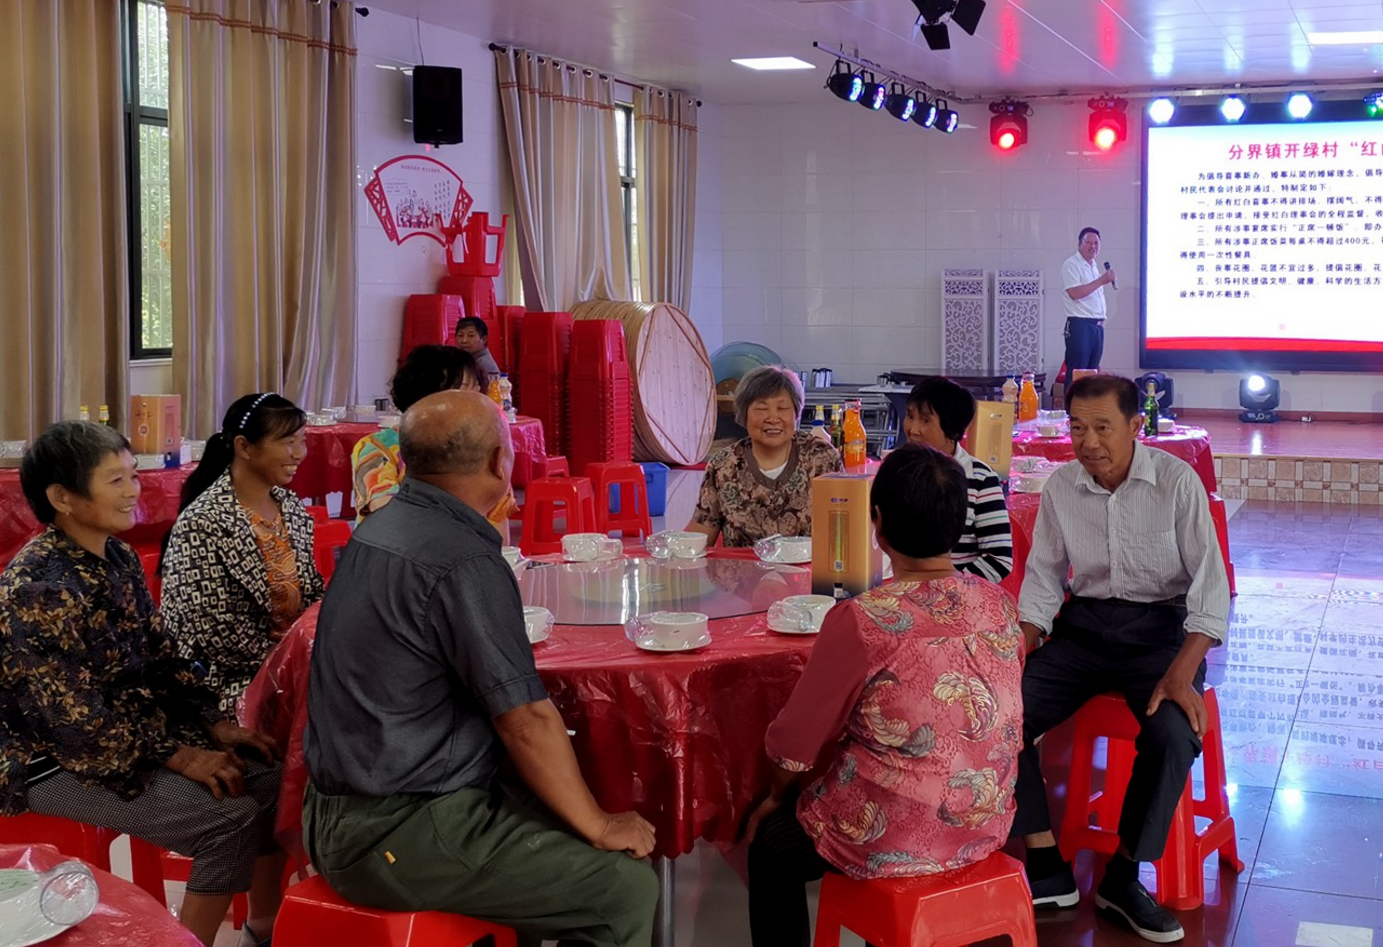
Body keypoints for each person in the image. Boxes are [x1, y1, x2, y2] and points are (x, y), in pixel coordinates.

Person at [303, 391, 657, 946]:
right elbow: (524, 720)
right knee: (625, 888)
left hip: (336, 808)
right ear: (499, 462)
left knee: (554, 815)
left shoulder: (380, 527)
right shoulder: (461, 557)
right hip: (398, 828)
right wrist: (600, 823)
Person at [0, 421, 286, 947]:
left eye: (133, 474)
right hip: (45, 760)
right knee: (227, 820)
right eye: (115, 480)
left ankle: (260, 931)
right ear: (62, 497)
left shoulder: (118, 555)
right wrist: (180, 756)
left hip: (122, 732)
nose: (133, 490)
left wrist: (213, 721)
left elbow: (160, 656)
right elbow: (77, 726)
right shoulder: (39, 588)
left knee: (271, 779)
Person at [742, 445, 1023, 947]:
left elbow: (792, 748)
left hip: (892, 835)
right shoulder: (998, 605)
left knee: (770, 844)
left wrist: (777, 797)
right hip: (985, 821)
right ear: (958, 524)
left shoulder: (864, 619)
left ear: (877, 522)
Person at [1013, 374, 1228, 944]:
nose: (1088, 442)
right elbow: (1043, 580)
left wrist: (1182, 673)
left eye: (1103, 428)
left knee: (1173, 734)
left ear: (1136, 427)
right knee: (1001, 713)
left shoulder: (1175, 482)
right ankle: (1045, 862)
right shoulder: (1062, 487)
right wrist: (1017, 648)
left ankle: (1124, 878)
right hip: (1084, 629)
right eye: (1078, 428)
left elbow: (1211, 589)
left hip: (1161, 632)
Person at [163, 393, 324, 715]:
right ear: (244, 447)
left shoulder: (291, 507)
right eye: (287, 442)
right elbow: (215, 633)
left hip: (293, 661)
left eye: (302, 441)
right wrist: (294, 661)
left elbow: (311, 592)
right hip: (224, 680)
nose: (299, 453)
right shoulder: (203, 521)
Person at [351, 345, 516, 540]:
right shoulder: (377, 448)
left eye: (477, 389)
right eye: (462, 390)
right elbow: (388, 514)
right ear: (425, 395)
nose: (477, 401)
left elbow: (498, 529)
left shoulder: (484, 452)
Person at [687, 365, 841, 550]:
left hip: (810, 568)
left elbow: (847, 528)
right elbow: (700, 537)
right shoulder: (723, 466)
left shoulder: (822, 457)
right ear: (744, 414)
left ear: (796, 413)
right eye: (761, 408)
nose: (773, 418)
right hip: (742, 569)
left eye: (782, 408)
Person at [899, 376, 1013, 583]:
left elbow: (999, 558)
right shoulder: (897, 472)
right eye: (910, 416)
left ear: (952, 429)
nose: (912, 429)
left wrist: (951, 588)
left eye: (925, 420)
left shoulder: (980, 479)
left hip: (957, 594)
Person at [1060, 227, 1114, 380]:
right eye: (1088, 243)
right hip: (1080, 325)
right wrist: (1101, 280)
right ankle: (1072, 397)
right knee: (1078, 372)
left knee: (1092, 374)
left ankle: (1088, 398)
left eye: (1096, 243)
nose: (1093, 246)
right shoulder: (1072, 264)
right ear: (1079, 244)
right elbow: (1075, 293)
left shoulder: (1093, 266)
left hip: (1097, 326)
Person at [454, 314, 502, 381]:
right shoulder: (466, 358)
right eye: (460, 335)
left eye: (471, 336)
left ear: (484, 339)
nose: (464, 341)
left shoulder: (484, 364)